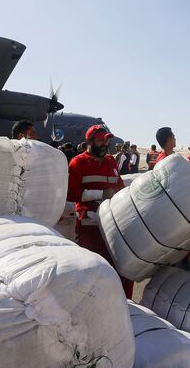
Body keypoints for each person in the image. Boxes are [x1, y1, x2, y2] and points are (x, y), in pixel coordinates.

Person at [67, 124, 133, 298]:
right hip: (90, 227)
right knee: (94, 271)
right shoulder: (78, 163)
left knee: (121, 271)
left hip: (113, 226)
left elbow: (118, 186)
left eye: (106, 140)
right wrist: (100, 194)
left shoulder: (111, 161)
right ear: (89, 141)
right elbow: (71, 193)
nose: (104, 143)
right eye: (100, 140)